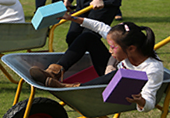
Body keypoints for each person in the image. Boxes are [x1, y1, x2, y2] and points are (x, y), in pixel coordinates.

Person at [29, 19, 163, 112]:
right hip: (109, 74)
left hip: (116, 91)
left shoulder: (152, 69)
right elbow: (101, 27)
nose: (110, 51)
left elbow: (150, 100)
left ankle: (73, 88)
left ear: (132, 48)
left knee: (119, 74)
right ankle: (55, 71)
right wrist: (73, 18)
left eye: (112, 48)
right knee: (88, 38)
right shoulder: (126, 41)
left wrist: (141, 102)